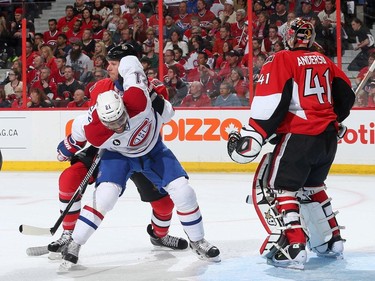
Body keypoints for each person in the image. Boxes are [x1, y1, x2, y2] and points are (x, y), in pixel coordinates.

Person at [57, 44, 220, 269]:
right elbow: (80, 130)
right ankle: (74, 243)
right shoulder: (100, 94)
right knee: (104, 196)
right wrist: (65, 148)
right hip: (118, 155)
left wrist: (158, 101)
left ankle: (197, 240)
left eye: (115, 64)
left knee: (183, 191)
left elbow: (168, 113)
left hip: (152, 150)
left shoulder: (144, 94)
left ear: (125, 66)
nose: (108, 68)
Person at [227, 18, 355, 269]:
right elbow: (347, 95)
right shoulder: (325, 60)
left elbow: (271, 99)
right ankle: (331, 241)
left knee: (278, 187)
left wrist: (255, 133)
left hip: (300, 136)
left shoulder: (281, 59)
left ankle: (293, 246)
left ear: (289, 36)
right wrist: (332, 120)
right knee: (312, 186)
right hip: (327, 138)